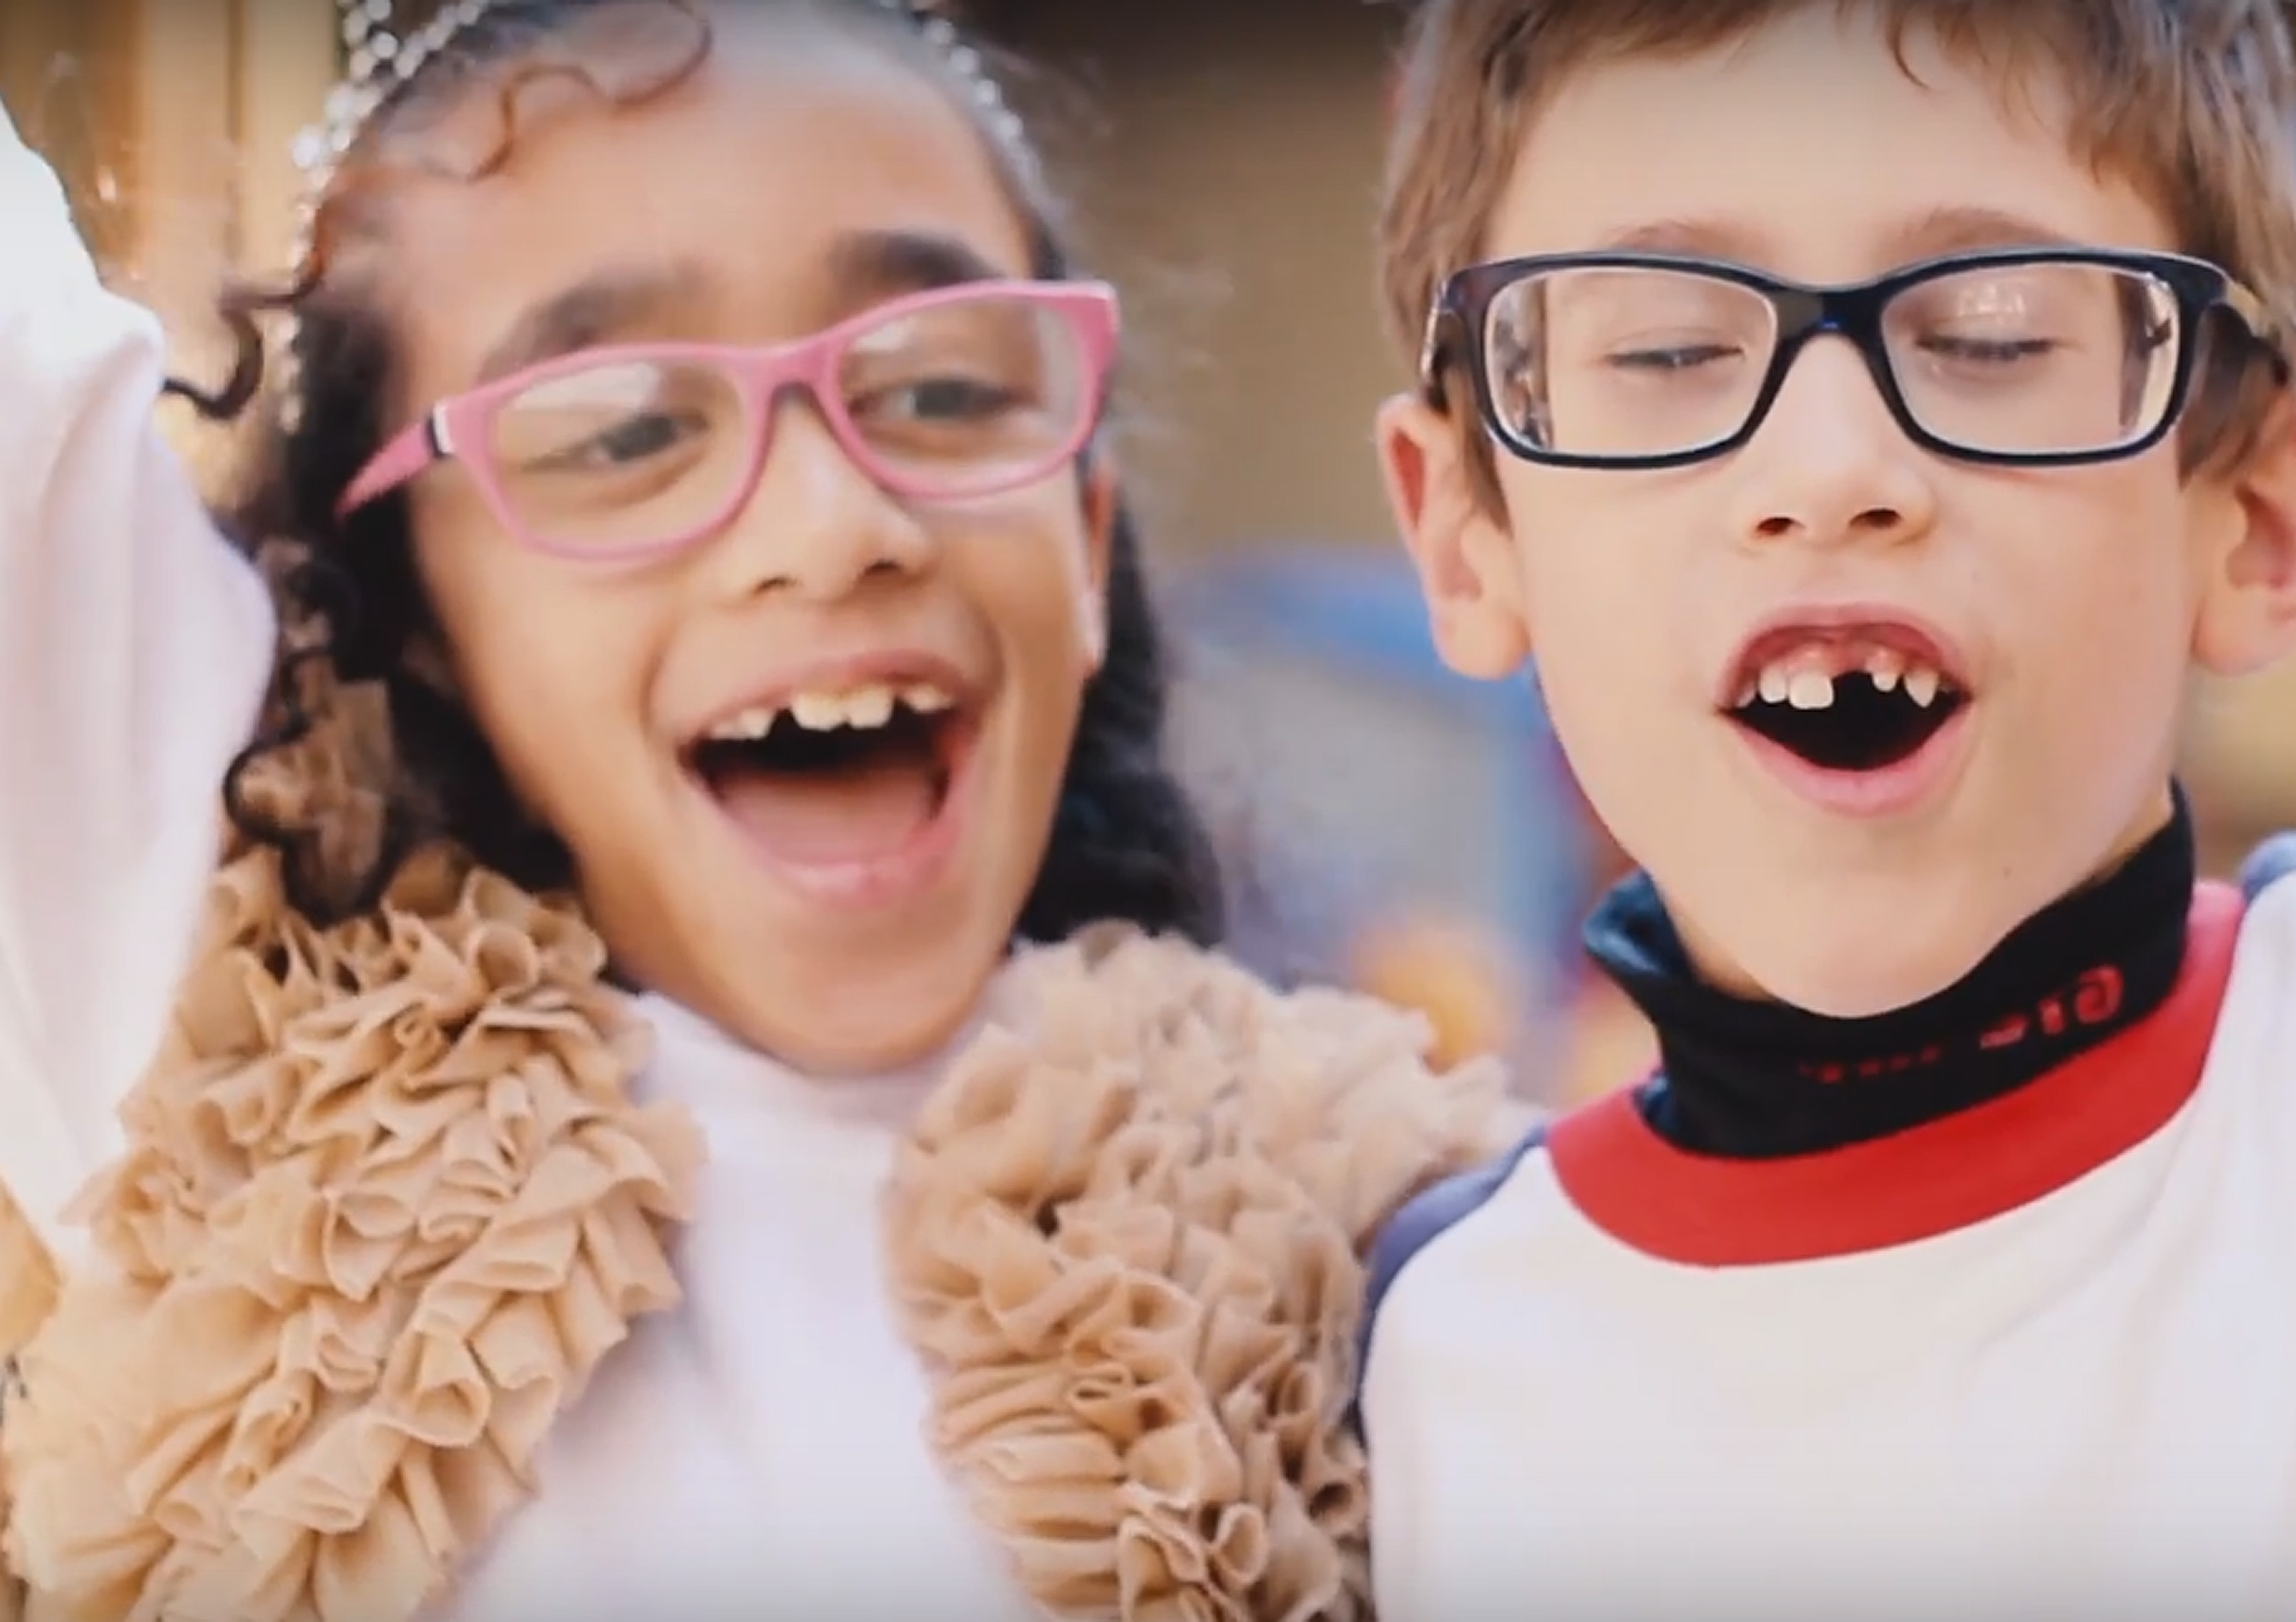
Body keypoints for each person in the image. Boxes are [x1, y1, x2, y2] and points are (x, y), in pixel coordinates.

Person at [0, 2, 1514, 1617]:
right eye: (625, 430)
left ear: (1084, 531)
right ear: (406, 605)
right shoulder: (218, 1072)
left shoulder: (1398, 1239)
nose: (831, 521)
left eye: (939, 388)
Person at [1356, 0, 2296, 1615]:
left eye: (1992, 332)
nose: (1831, 461)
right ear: (1462, 540)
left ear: (2255, 519)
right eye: (1661, 346)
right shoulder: (1434, 1356)